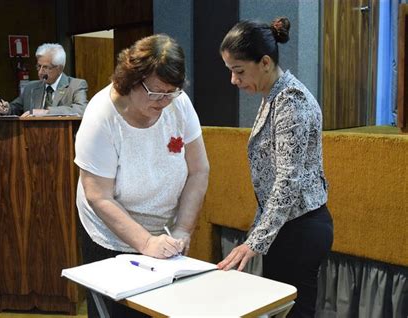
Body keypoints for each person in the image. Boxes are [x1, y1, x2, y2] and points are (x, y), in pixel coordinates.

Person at [74, 34, 209, 318]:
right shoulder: (101, 117)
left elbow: (199, 171)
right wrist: (146, 243)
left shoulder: (178, 103)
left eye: (171, 92)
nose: (164, 101)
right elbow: (98, 195)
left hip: (165, 232)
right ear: (131, 80)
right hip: (111, 236)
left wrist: (183, 229)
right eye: (156, 92)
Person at [217, 17, 334, 318]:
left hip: (301, 228)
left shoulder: (290, 101)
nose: (234, 81)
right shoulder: (274, 95)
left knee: (293, 312)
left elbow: (287, 180)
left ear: (265, 62)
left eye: (238, 71)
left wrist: (254, 242)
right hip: (287, 227)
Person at [0, 43, 88, 117]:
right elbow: (16, 109)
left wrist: (47, 112)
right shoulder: (30, 88)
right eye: (39, 66)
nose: (40, 72)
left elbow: (82, 110)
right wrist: (6, 109)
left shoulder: (76, 85)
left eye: (46, 67)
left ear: (59, 68)